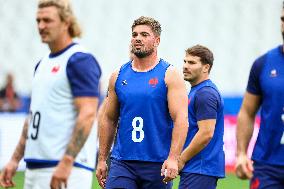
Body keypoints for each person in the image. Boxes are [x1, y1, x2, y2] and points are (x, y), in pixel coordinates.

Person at [0, 0, 101, 188]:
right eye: (38, 20)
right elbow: (32, 118)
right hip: (35, 166)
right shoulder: (42, 64)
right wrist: (15, 159)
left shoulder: (80, 60)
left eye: (47, 20)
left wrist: (67, 161)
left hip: (66, 169)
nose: (40, 26)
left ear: (66, 22)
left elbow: (87, 114)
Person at [96, 16, 189, 189]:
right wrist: (102, 159)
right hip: (122, 161)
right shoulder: (118, 75)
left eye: (144, 34)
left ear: (157, 41)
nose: (138, 38)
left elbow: (181, 120)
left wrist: (173, 158)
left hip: (157, 163)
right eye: (135, 34)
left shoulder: (169, 75)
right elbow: (108, 118)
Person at [235, 3, 284, 188]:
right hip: (267, 167)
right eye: (282, 20)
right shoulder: (263, 64)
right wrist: (241, 153)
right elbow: (247, 111)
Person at [178, 45, 225, 189]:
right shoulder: (196, 91)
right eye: (185, 62)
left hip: (200, 168)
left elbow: (206, 133)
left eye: (191, 63)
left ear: (206, 67)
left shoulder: (205, 93)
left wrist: (181, 159)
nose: (185, 66)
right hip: (197, 168)